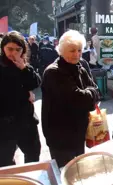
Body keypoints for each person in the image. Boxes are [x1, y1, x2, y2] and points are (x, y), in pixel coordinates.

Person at [41, 30, 100, 167]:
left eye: (79, 50)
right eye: (72, 50)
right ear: (61, 50)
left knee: (78, 170)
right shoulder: (54, 72)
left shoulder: (80, 66)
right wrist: (90, 94)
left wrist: (90, 94)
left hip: (78, 133)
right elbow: (78, 99)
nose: (77, 54)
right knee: (65, 172)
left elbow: (96, 92)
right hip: (60, 137)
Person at [0, 31, 41, 167]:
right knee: (5, 161)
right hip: (5, 123)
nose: (14, 53)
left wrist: (24, 68)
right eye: (10, 49)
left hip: (26, 121)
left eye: (18, 49)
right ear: (3, 48)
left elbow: (36, 83)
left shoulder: (23, 65)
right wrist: (26, 94)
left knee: (33, 154)